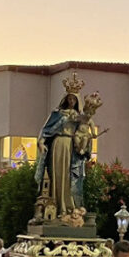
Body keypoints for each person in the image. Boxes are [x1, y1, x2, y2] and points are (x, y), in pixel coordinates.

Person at [35, 86, 82, 217]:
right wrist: (41, 142)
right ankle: (56, 203)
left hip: (71, 146)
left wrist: (83, 144)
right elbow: (46, 129)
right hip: (58, 144)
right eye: (70, 98)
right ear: (66, 99)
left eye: (74, 99)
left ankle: (69, 206)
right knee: (57, 174)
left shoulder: (79, 116)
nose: (72, 101)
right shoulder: (58, 113)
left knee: (69, 176)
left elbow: (83, 132)